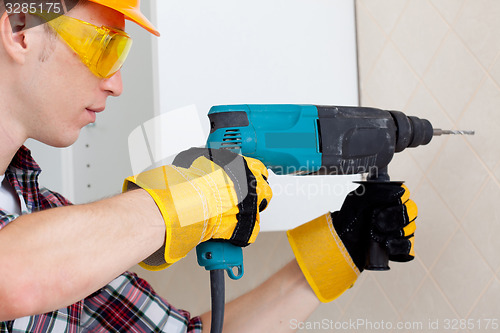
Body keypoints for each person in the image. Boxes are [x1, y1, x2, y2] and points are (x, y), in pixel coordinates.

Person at [0, 0, 418, 332]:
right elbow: (12, 276)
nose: (116, 84)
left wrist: (331, 257)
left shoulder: (46, 220)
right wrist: (193, 196)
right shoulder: (42, 250)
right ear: (21, 28)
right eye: (104, 46)